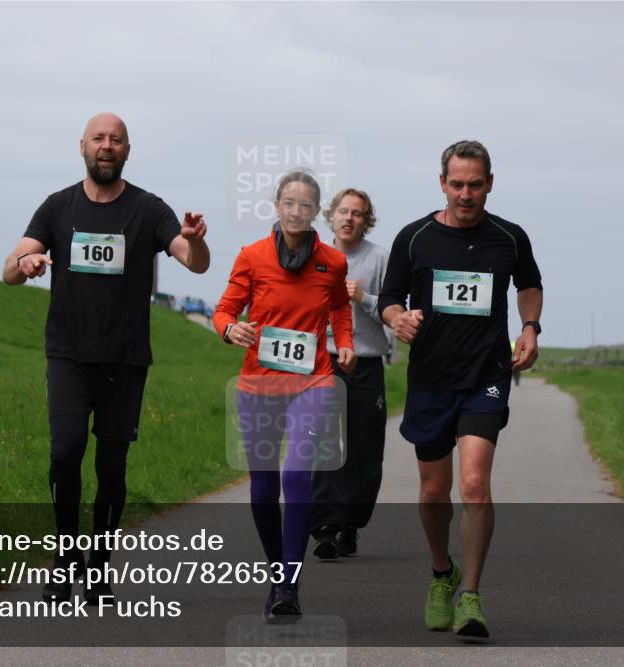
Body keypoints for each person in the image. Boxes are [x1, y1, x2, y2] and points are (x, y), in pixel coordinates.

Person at [2, 112, 210, 604]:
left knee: (112, 467)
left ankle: (98, 564)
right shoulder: (57, 207)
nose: (107, 145)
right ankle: (65, 556)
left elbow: (196, 263)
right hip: (69, 355)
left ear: (127, 151)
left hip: (125, 358)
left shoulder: (148, 209)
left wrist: (196, 240)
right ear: (82, 147)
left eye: (116, 139)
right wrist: (26, 262)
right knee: (65, 450)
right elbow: (10, 269)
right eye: (99, 138)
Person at [378, 140, 542, 639]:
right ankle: (440, 573)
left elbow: (529, 283)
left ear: (490, 183)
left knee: (473, 484)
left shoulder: (509, 238)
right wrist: (397, 319)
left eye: (475, 184)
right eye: (456, 184)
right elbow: (388, 297)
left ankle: (470, 594)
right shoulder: (415, 237)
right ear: (441, 182)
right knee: (433, 490)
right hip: (430, 380)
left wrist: (531, 327)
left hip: (485, 376)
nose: (465, 194)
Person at [214, 170, 355, 623]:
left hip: (313, 382)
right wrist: (229, 328)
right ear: (277, 207)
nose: (297, 211)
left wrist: (345, 340)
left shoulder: (332, 262)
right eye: (289, 203)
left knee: (296, 477)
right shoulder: (252, 257)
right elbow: (224, 310)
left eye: (306, 205)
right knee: (261, 491)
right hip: (259, 385)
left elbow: (338, 305)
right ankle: (277, 570)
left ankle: (288, 583)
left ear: (318, 213)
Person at [311, 188, 390, 559]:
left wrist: (364, 298)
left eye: (357, 213)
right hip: (322, 360)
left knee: (364, 451)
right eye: (343, 211)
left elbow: (394, 311)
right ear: (331, 216)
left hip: (365, 362)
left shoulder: (379, 259)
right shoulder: (313, 257)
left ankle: (351, 524)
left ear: (366, 220)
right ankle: (324, 526)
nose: (349, 218)